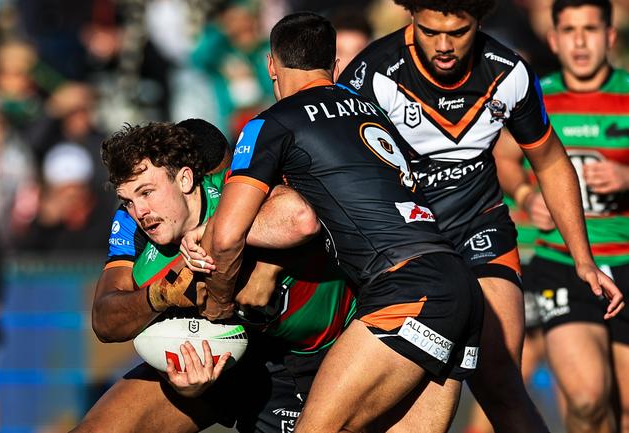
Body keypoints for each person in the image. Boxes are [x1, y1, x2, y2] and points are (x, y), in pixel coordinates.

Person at [338, 1, 624, 432]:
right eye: (430, 32)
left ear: (479, 22)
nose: (444, 45)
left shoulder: (508, 72)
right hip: (403, 243)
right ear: (411, 19)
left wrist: (583, 259)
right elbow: (329, 159)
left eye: (459, 32)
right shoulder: (373, 72)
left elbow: (549, 160)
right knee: (397, 392)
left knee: (502, 382)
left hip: (480, 228)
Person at [196, 12, 483, 433]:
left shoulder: (272, 122)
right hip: (459, 283)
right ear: (333, 65)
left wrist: (218, 308)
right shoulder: (372, 111)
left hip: (404, 288)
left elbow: (225, 236)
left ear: (271, 65)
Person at [71, 118, 355, 433]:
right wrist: (160, 296)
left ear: (185, 179)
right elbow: (106, 321)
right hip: (241, 358)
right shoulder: (138, 239)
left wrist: (230, 244)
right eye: (128, 200)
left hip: (336, 342)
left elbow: (300, 218)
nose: (140, 212)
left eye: (147, 192)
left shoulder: (233, 189)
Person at [494, 1, 629, 432]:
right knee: (588, 399)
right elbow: (504, 157)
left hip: (626, 259)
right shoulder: (537, 97)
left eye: (590, 29)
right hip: (561, 264)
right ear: (553, 39)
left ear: (609, 36)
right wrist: (525, 194)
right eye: (569, 30)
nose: (580, 41)